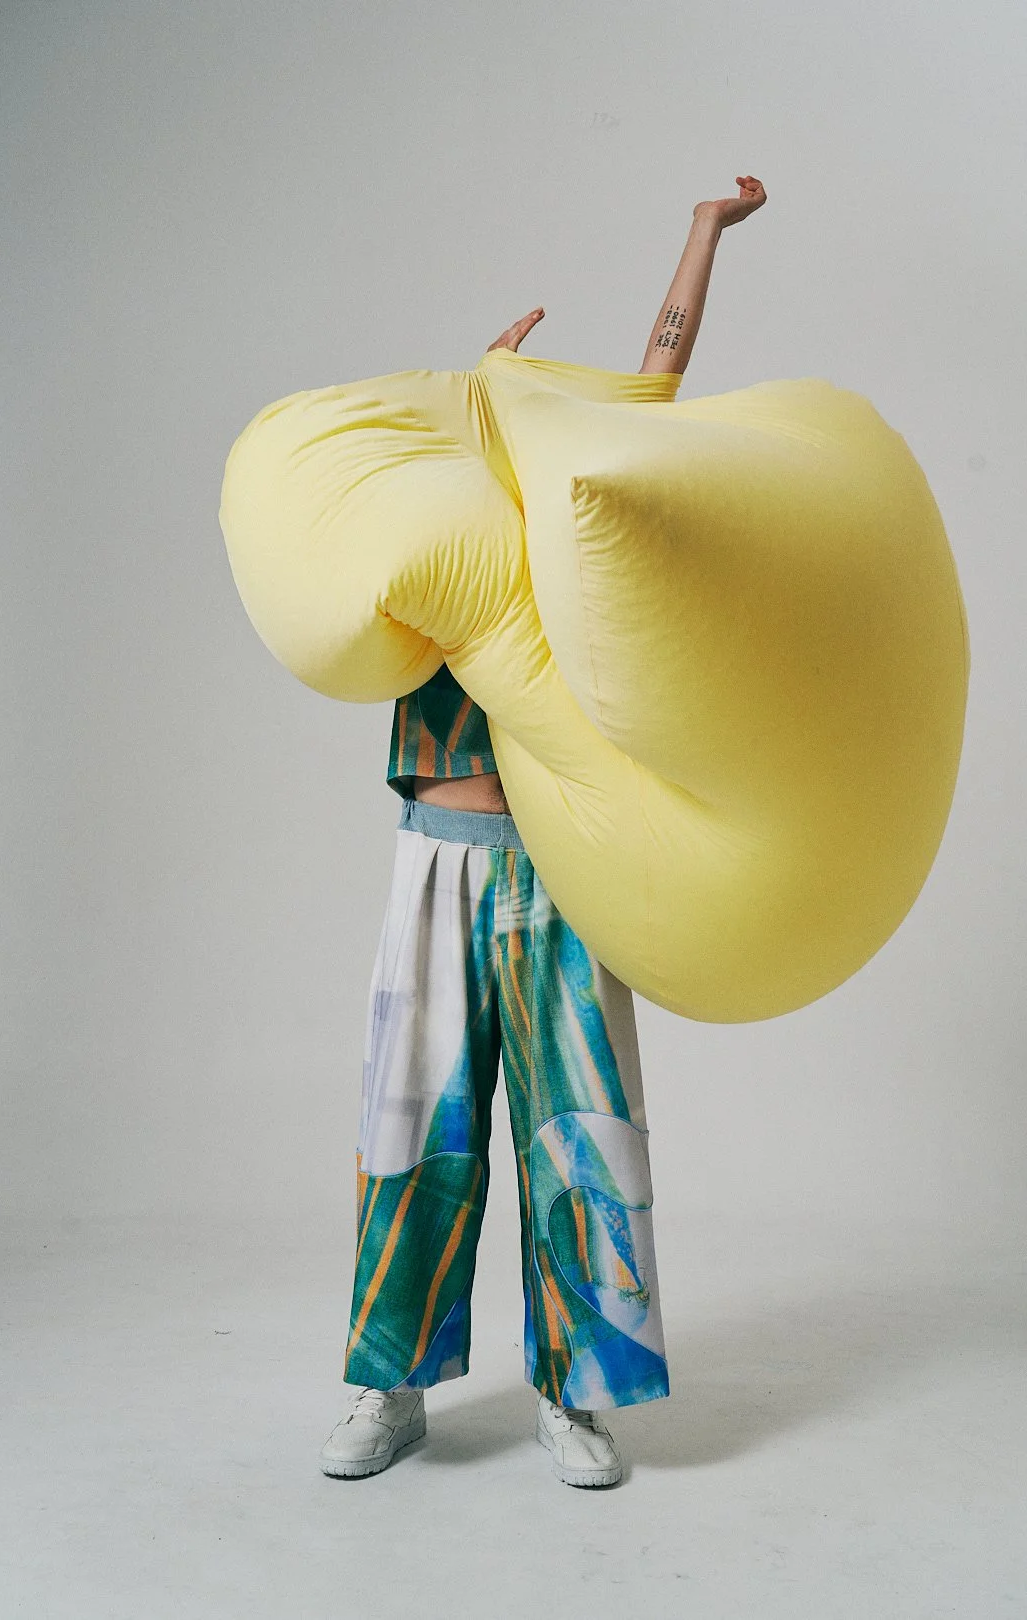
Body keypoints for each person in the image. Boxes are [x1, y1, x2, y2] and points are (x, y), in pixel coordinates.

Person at [319, 176, 768, 1488]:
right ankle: (385, 1387)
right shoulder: (427, 530)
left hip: (564, 868)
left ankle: (577, 1398)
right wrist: (474, 386)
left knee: (582, 1129)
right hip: (436, 865)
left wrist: (700, 232)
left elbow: (659, 379)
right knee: (415, 1129)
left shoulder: (585, 536)